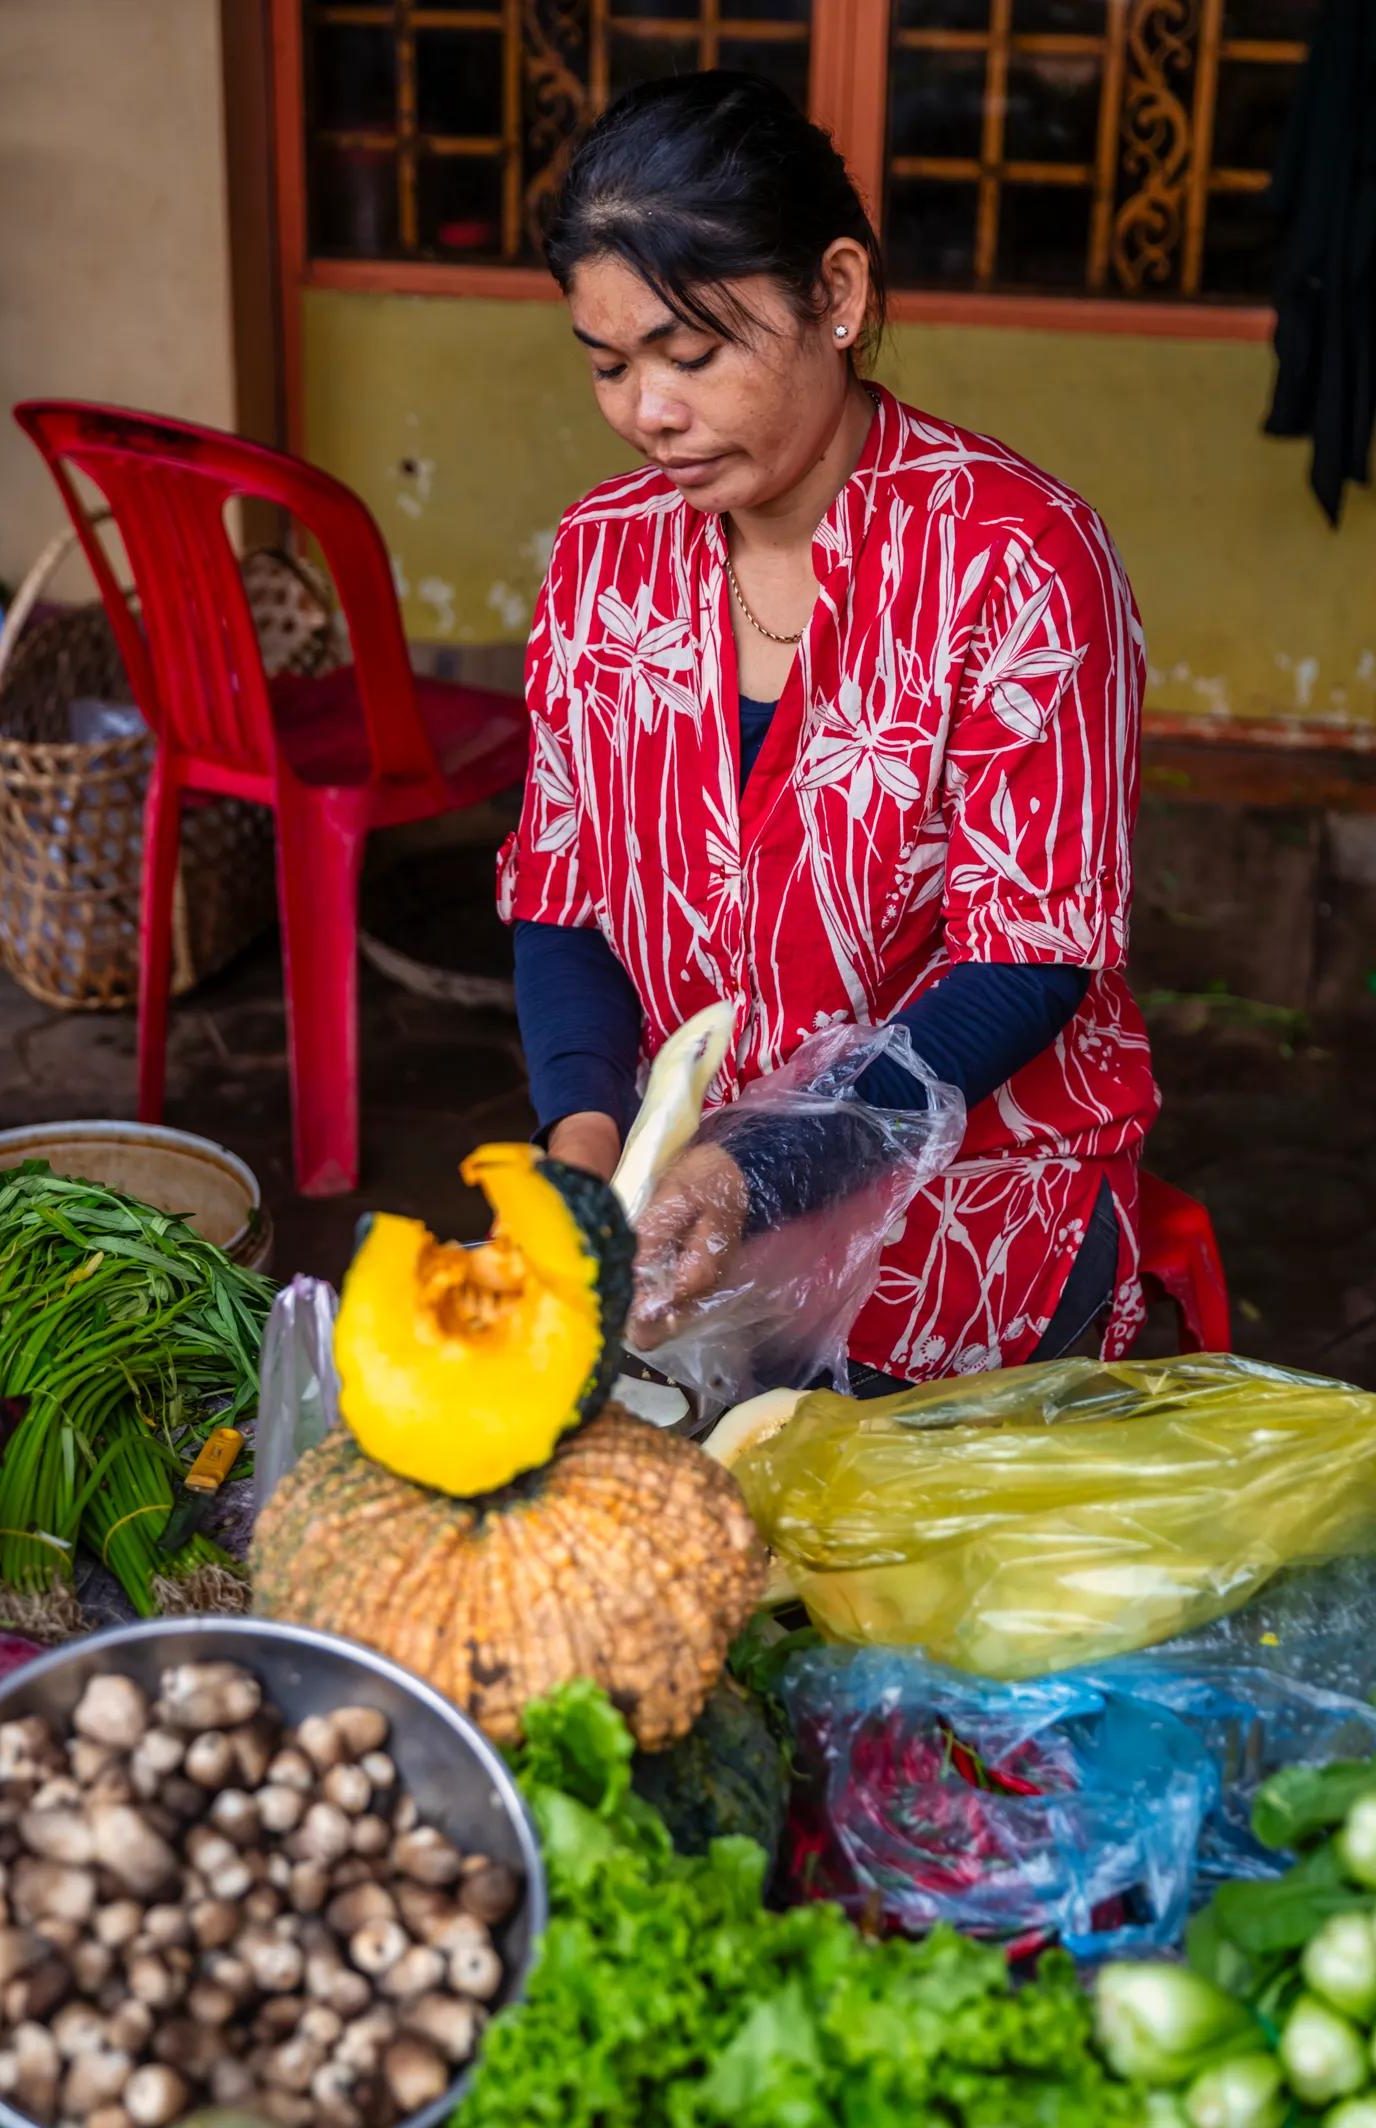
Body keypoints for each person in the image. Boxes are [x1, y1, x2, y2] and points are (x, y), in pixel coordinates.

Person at [499, 70, 1158, 1394]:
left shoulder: (1014, 561)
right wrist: (586, 1153)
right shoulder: (601, 560)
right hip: (690, 1227)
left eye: (694, 354)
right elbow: (561, 889)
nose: (650, 413)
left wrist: (770, 1163)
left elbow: (1030, 958)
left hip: (967, 1220)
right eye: (612, 364)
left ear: (839, 297)